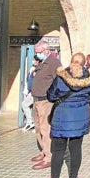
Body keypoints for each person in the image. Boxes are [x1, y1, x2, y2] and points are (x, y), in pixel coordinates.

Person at [42, 53, 90, 178]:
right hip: (80, 118)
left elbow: (51, 96)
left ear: (71, 62)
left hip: (62, 118)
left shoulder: (61, 77)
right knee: (76, 149)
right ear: (84, 64)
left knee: (58, 151)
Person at [30, 40, 62, 170]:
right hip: (36, 99)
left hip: (45, 101)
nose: (37, 55)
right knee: (37, 128)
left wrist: (54, 97)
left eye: (39, 52)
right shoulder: (41, 62)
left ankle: (48, 157)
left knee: (45, 129)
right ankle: (43, 151)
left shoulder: (54, 63)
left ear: (46, 51)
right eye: (35, 52)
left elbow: (59, 81)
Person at [22, 55, 41, 131]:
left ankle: (31, 123)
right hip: (31, 91)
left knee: (25, 105)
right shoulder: (33, 68)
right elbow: (29, 80)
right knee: (27, 105)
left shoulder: (38, 69)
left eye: (34, 60)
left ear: (37, 61)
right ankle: (31, 123)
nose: (33, 61)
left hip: (35, 92)